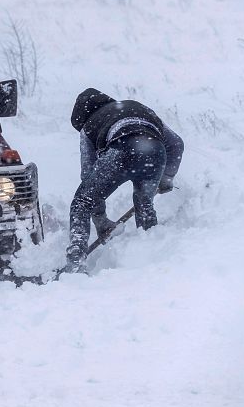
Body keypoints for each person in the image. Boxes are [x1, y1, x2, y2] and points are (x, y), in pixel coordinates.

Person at [66, 88, 184, 273]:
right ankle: (150, 253)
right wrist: (166, 177)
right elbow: (177, 143)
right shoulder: (138, 107)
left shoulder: (88, 126)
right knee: (143, 202)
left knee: (81, 202)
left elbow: (87, 175)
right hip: (155, 151)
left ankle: (75, 260)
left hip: (121, 152)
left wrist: (100, 219)